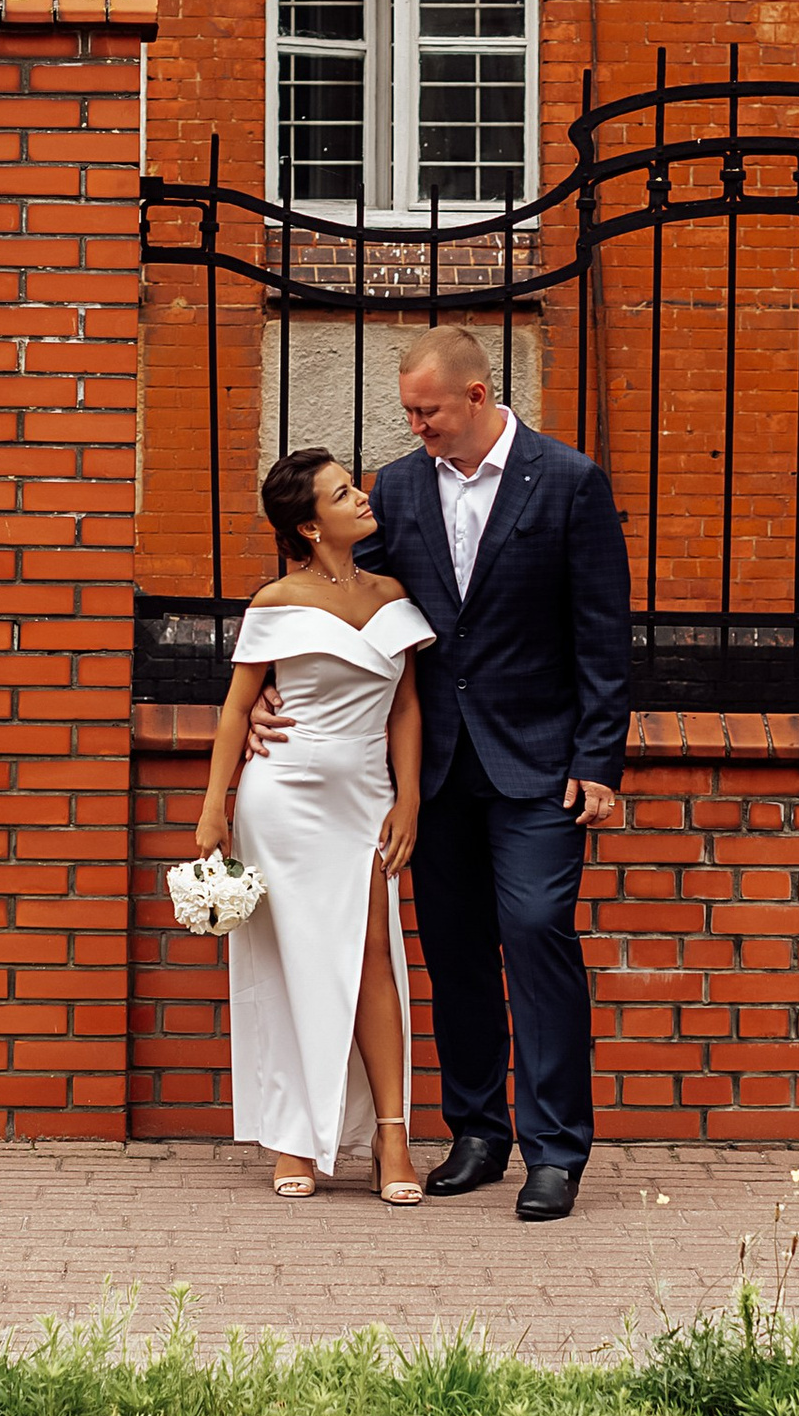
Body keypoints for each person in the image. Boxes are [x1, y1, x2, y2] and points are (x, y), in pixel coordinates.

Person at [251, 325, 631, 1221]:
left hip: (542, 762)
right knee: (455, 946)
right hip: (435, 768)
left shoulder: (569, 481)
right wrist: (271, 684)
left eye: (426, 410)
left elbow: (603, 634)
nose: (414, 424)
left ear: (474, 395)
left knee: (537, 929)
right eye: (408, 411)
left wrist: (599, 761)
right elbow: (340, 598)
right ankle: (477, 1131)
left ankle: (554, 1150)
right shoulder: (401, 487)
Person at [193, 449, 432, 1202]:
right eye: (343, 492)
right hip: (282, 802)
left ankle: (390, 1137)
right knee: (290, 960)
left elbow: (405, 706)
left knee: (371, 957)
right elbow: (239, 707)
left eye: (354, 485)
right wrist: (213, 807)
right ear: (308, 523)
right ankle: (293, 1135)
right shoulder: (276, 600)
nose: (362, 496)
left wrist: (410, 798)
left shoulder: (392, 593)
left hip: (366, 799)